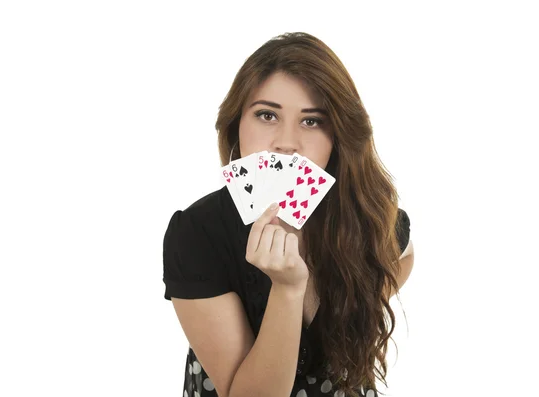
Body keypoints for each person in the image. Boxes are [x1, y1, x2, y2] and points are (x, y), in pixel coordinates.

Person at [162, 32, 414, 397]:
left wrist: (365, 299)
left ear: (339, 137)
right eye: (267, 115)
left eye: (311, 121)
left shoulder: (368, 215)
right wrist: (288, 288)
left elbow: (404, 250)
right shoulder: (198, 233)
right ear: (236, 126)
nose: (286, 142)